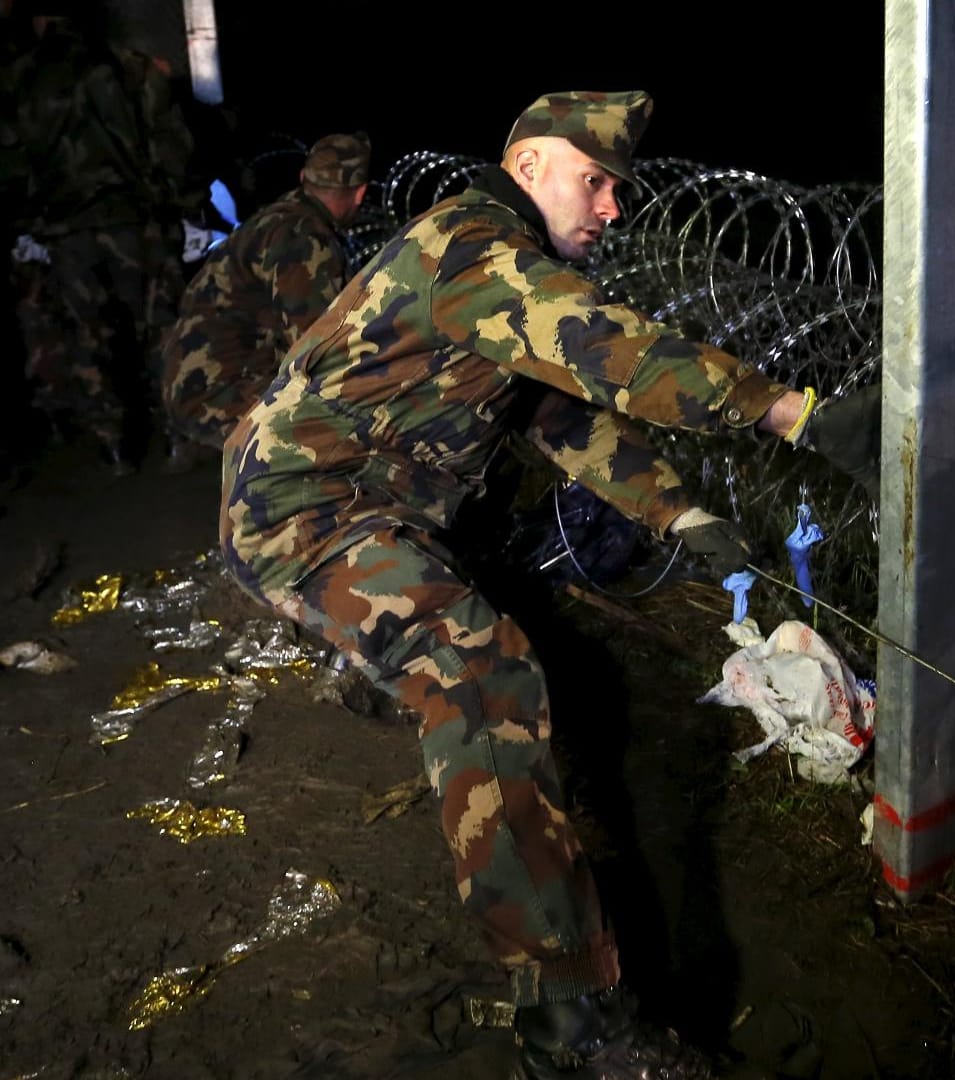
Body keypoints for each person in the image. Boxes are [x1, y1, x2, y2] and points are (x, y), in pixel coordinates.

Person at [219, 91, 879, 1079]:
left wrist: (679, 516)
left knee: (471, 597)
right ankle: (572, 1022)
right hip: (302, 509)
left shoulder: (496, 267)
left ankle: (375, 663)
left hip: (373, 503)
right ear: (528, 166)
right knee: (484, 669)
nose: (612, 208)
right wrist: (787, 410)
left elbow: (563, 416)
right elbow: (602, 349)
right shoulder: (474, 252)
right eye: (596, 181)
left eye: (618, 189)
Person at [0, 5, 197, 473]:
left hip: (66, 231)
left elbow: (11, 162)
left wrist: (26, 223)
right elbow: (170, 144)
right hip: (136, 222)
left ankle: (113, 447)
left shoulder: (17, 80)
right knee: (160, 328)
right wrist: (183, 204)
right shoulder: (127, 66)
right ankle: (176, 434)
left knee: (89, 338)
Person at [160, 133, 371, 460]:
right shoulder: (306, 239)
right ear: (360, 194)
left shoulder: (276, 218)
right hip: (219, 391)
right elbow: (314, 351)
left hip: (191, 380)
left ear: (303, 178)